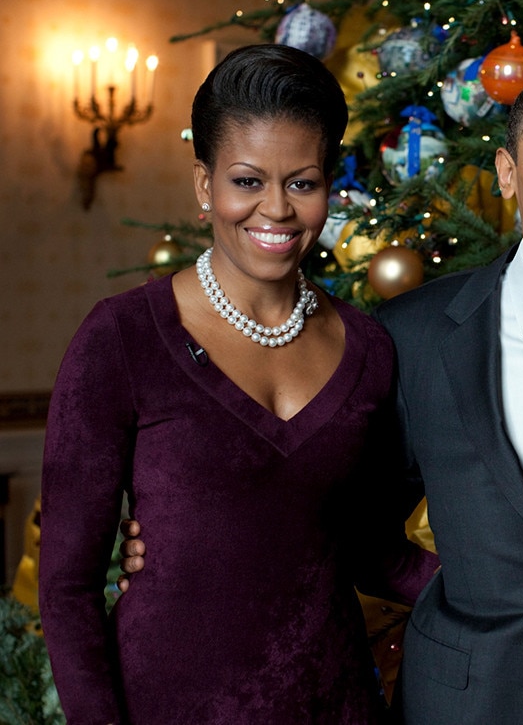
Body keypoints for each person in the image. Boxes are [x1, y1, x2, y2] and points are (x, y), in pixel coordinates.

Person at [118, 65, 523, 723]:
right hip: (466, 700)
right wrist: (171, 542)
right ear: (507, 171)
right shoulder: (413, 336)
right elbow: (337, 515)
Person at [38, 43, 438, 724]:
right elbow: (69, 586)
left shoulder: (370, 348)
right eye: (247, 181)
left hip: (337, 704)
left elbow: (370, 549)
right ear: (205, 185)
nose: (276, 210)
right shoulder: (123, 337)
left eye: (302, 182)